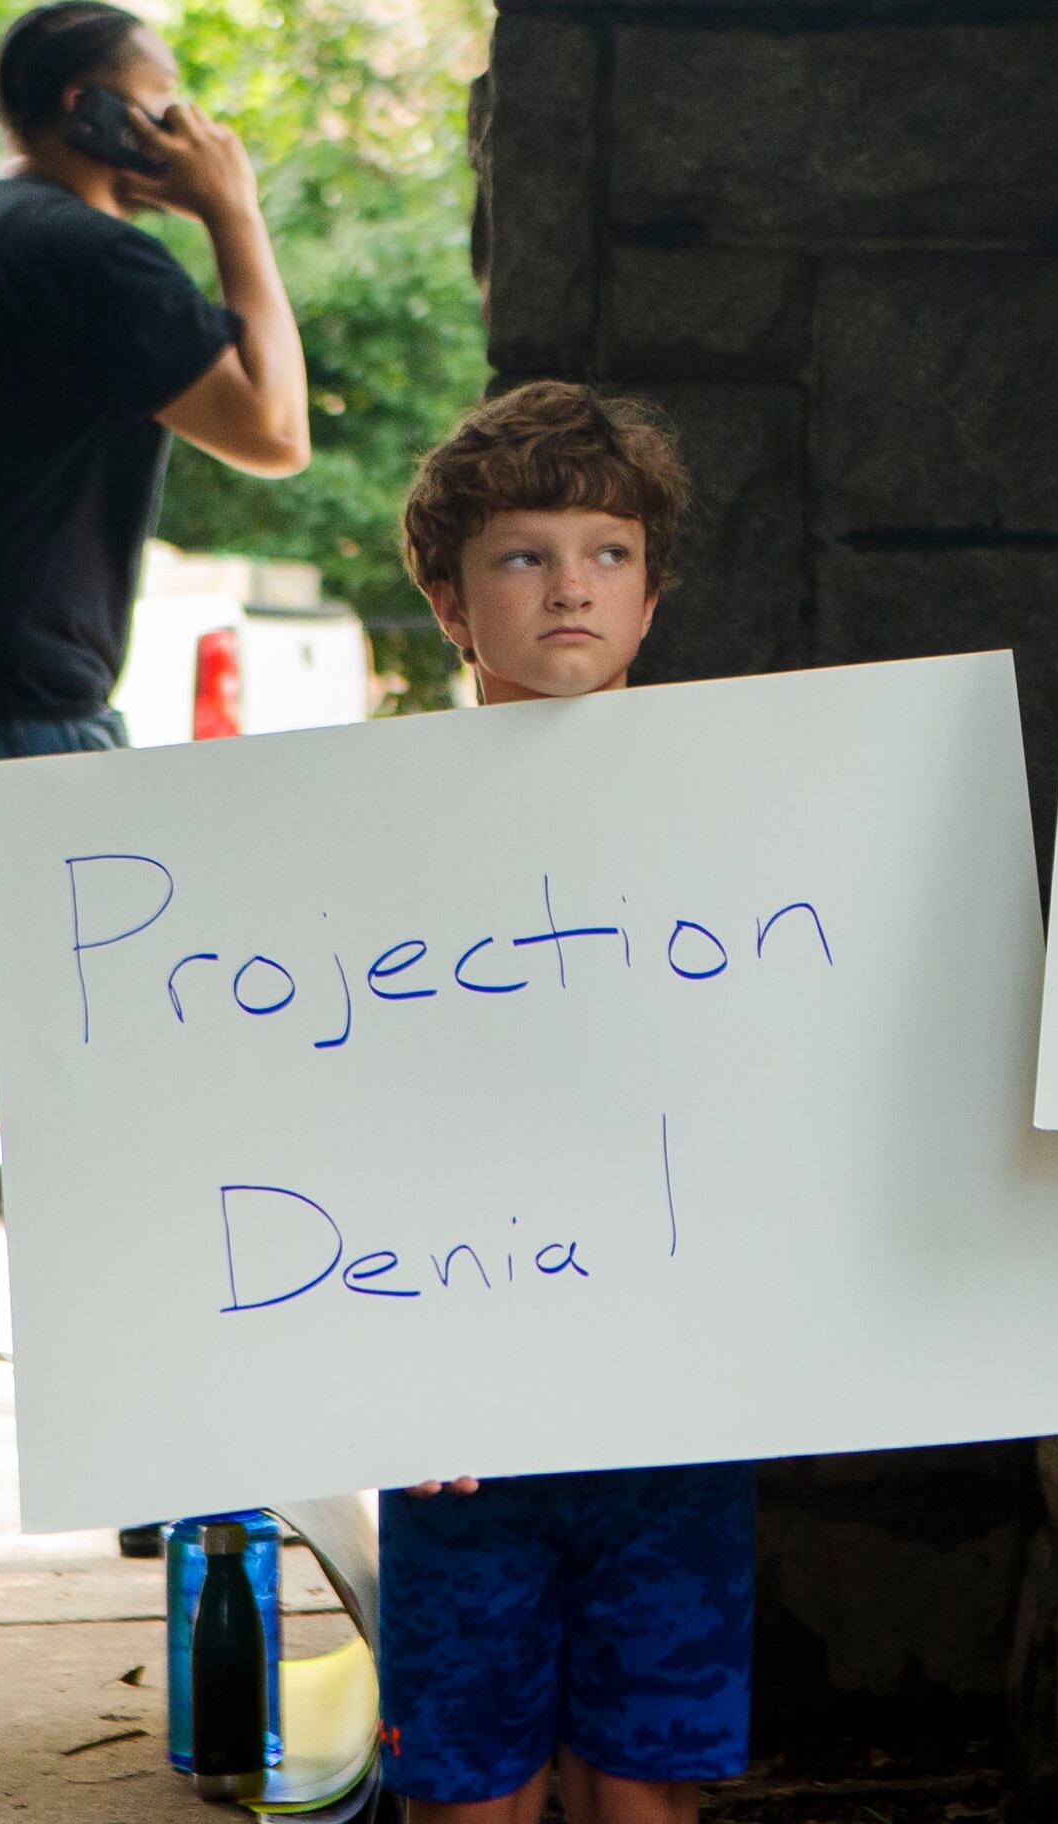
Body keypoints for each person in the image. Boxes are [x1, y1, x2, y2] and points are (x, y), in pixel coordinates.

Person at [0, 0, 309, 1567]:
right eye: (167, 109)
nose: (189, 130)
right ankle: (174, 1471)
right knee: (124, 1092)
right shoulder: (86, 256)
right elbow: (275, 431)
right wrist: (234, 215)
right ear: (97, 115)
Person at [374, 381, 754, 1824]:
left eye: (606, 552)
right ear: (452, 600)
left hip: (676, 1406)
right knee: (470, 1798)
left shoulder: (750, 834)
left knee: (645, 1793)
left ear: (653, 598)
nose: (570, 587)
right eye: (524, 556)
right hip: (455, 1423)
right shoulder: (354, 840)